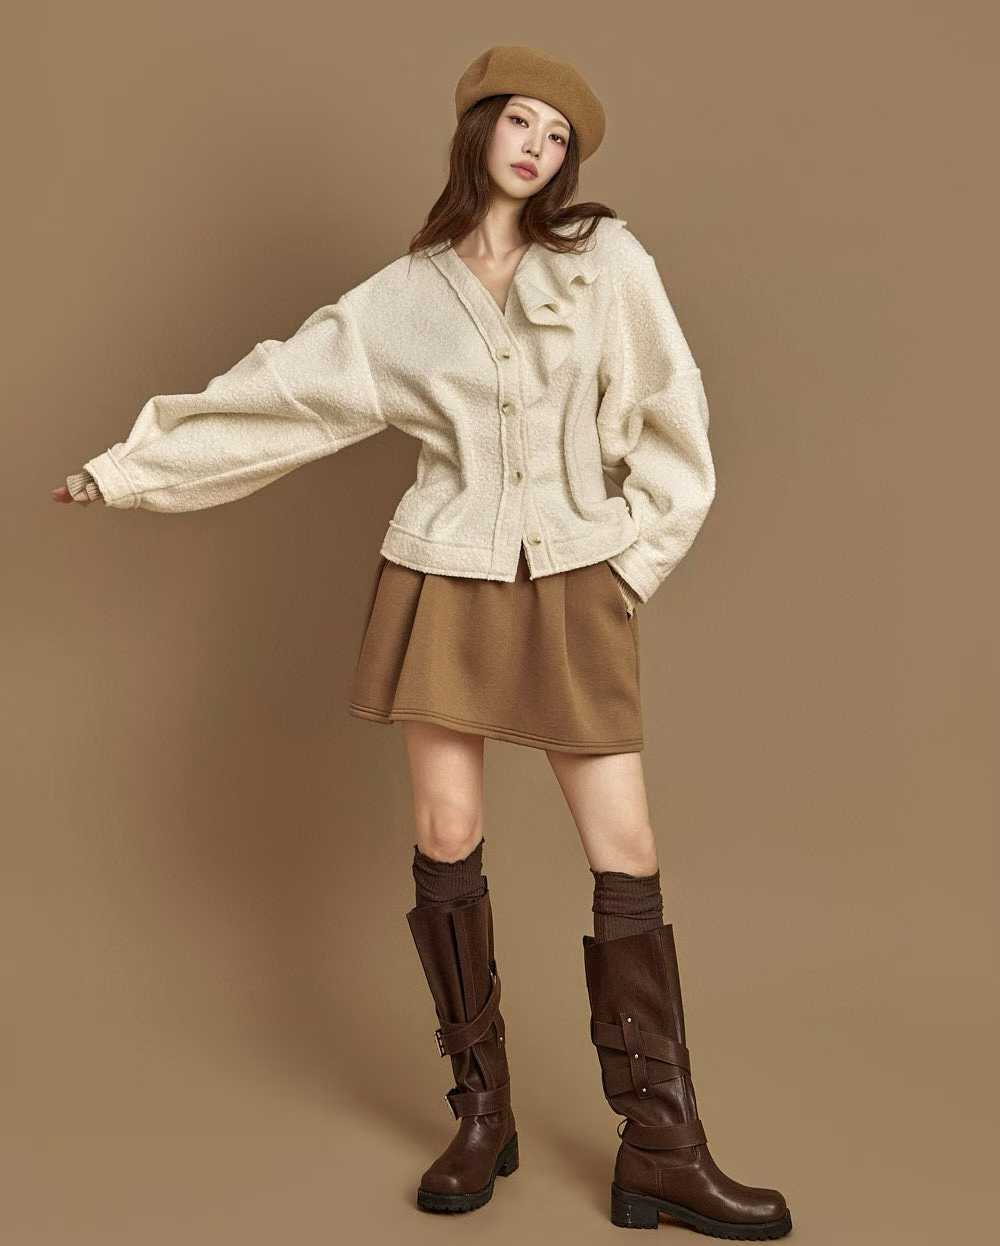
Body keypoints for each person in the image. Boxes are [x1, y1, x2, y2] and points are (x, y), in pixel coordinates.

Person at [52, 44, 792, 1239]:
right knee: (446, 835)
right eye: (522, 121)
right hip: (442, 579)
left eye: (558, 136)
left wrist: (628, 564)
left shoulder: (604, 259)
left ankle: (661, 1144)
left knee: (626, 847)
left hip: (574, 580)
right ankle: (482, 1113)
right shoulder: (405, 295)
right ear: (480, 126)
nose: (537, 147)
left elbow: (672, 409)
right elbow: (282, 394)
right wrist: (126, 471)